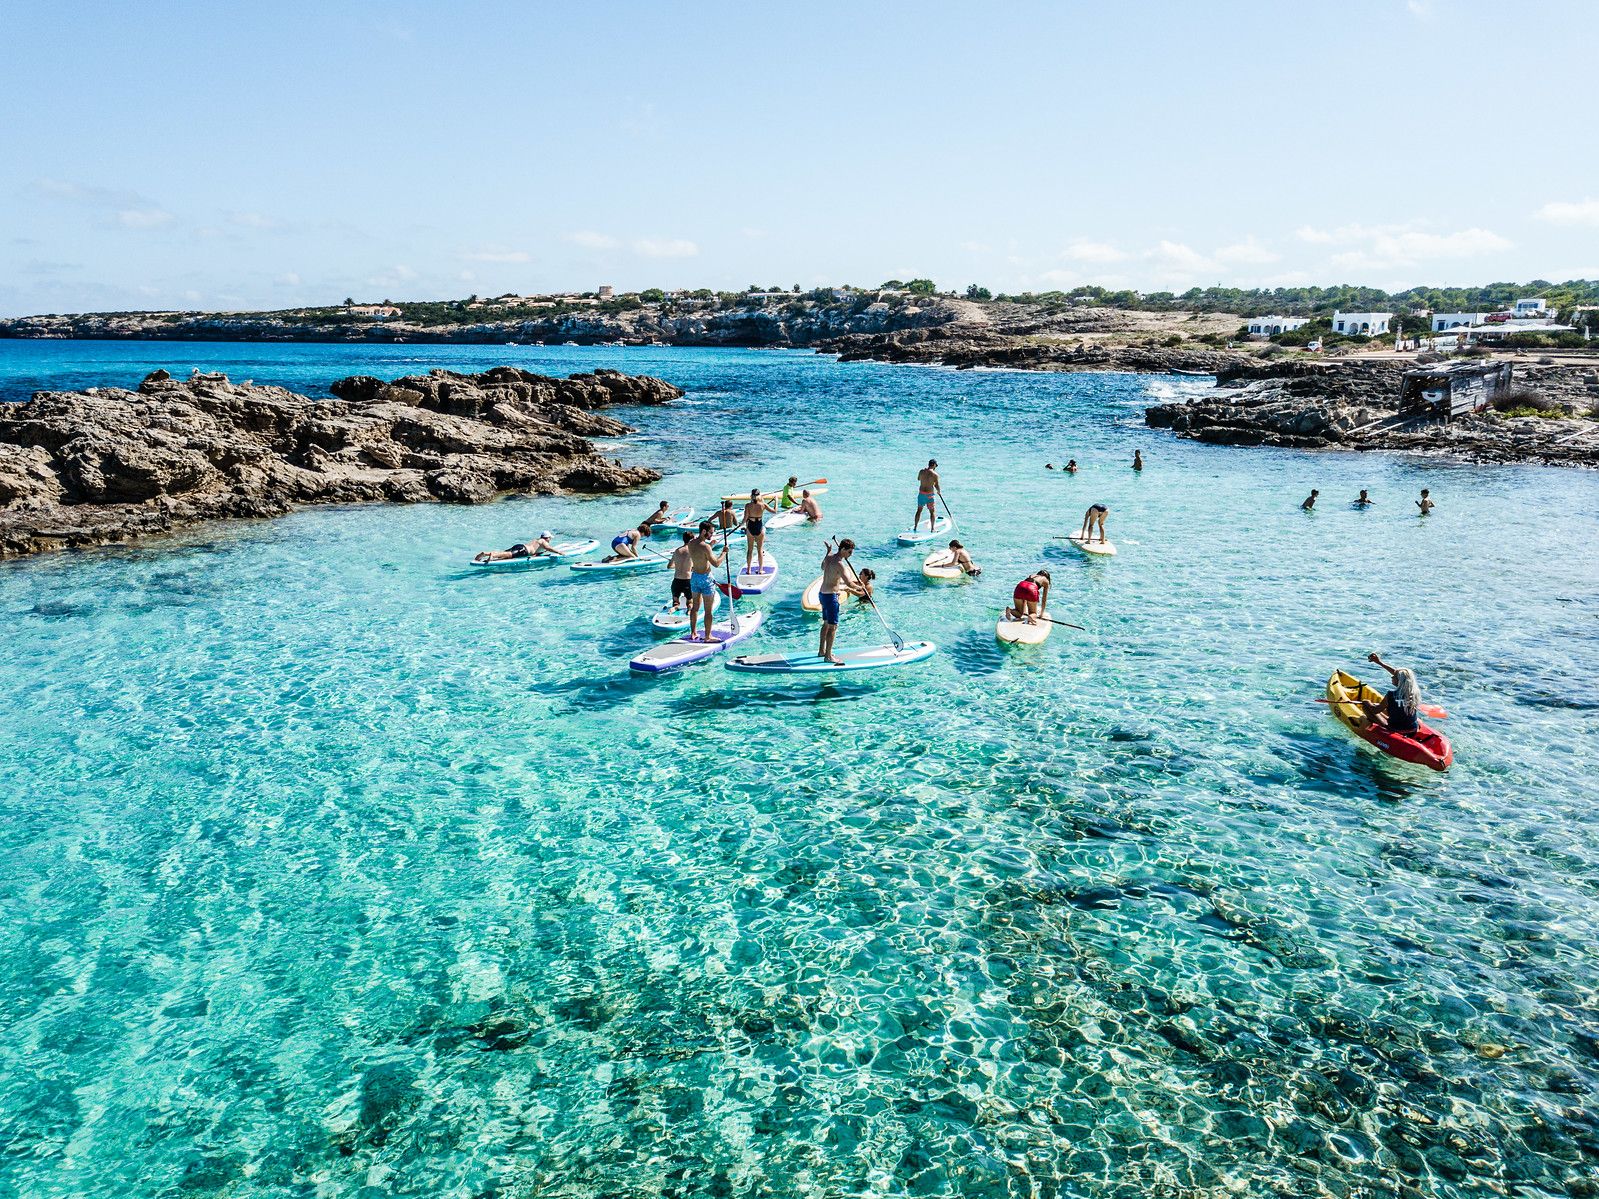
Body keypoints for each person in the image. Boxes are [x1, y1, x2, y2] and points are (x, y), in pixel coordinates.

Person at [686, 521, 727, 642]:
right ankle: (708, 637)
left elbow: (700, 554)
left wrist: (710, 546)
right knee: (708, 611)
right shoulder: (706, 547)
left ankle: (693, 632)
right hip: (705, 579)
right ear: (704, 531)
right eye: (710, 533)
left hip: (694, 578)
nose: (712, 535)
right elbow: (716, 563)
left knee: (695, 608)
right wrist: (724, 552)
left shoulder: (691, 543)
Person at [817, 539, 856, 664]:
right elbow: (849, 582)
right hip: (831, 597)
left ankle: (821, 650)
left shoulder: (829, 557)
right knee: (833, 627)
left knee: (826, 624)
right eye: (849, 552)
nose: (850, 555)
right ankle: (828, 656)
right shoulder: (840, 564)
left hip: (822, 594)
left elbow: (823, 567)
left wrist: (828, 552)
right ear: (843, 549)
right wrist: (861, 587)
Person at [1363, 652, 1422, 733]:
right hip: (1413, 729)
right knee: (1392, 708)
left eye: (1394, 677)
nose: (1392, 676)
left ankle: (1381, 727)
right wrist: (1380, 663)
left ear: (1399, 681)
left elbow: (1375, 710)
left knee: (1366, 706)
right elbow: (1400, 675)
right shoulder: (1415, 693)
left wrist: (1367, 703)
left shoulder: (1391, 695)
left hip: (1396, 729)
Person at [474, 530, 558, 563]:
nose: (550, 540)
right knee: (508, 555)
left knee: (505, 554)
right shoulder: (543, 541)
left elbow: (535, 551)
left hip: (520, 546)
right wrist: (559, 552)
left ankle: (486, 554)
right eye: (550, 538)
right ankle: (493, 555)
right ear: (547, 538)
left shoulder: (536, 540)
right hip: (523, 551)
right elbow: (548, 548)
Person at [743, 487, 776, 570]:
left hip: (750, 526)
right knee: (760, 550)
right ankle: (760, 570)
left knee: (749, 550)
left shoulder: (747, 505)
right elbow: (774, 511)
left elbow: (745, 519)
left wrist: (741, 524)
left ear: (751, 495)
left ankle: (748, 569)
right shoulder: (763, 505)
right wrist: (776, 500)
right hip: (759, 526)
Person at [667, 532, 694, 612]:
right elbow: (695, 567)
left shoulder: (677, 551)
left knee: (675, 602)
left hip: (676, 581)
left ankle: (674, 608)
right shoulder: (692, 551)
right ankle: (689, 610)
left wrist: (677, 565)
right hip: (687, 580)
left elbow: (669, 566)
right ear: (691, 540)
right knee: (690, 601)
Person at [913, 459, 942, 533]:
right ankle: (932, 529)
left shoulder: (921, 471)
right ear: (934, 465)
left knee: (919, 510)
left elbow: (918, 479)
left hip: (921, 494)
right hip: (929, 495)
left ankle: (915, 527)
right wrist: (939, 492)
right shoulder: (935, 475)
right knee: (932, 512)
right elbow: (937, 485)